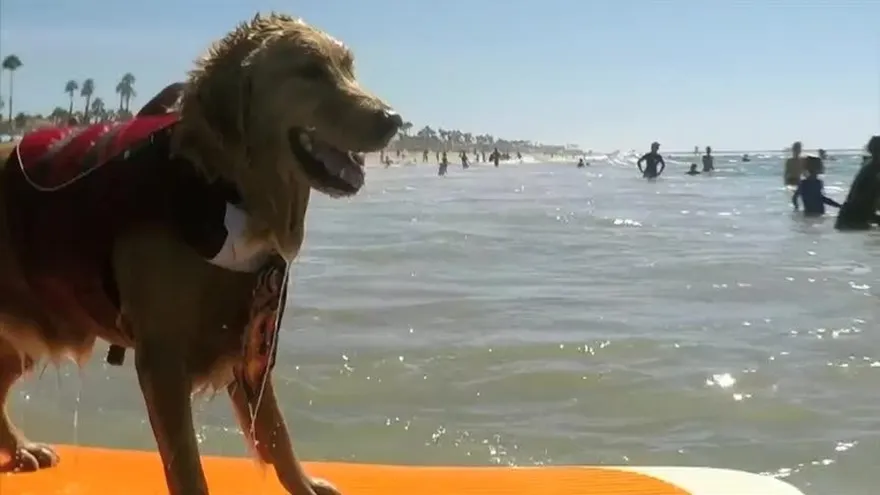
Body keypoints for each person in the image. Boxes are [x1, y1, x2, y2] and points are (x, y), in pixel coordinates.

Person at [835, 136, 880, 230]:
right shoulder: (872, 171)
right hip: (854, 218)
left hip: (850, 216)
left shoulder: (869, 166)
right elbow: (863, 201)